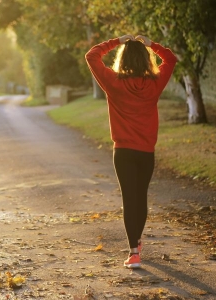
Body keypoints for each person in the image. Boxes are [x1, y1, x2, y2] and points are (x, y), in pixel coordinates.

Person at [85, 35, 177, 269]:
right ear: (146, 60)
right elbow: (171, 59)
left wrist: (116, 41)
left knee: (129, 198)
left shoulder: (113, 82)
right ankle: (136, 242)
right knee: (141, 197)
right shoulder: (155, 83)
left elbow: (91, 56)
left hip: (123, 152)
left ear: (122, 59)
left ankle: (134, 252)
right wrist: (152, 45)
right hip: (146, 152)